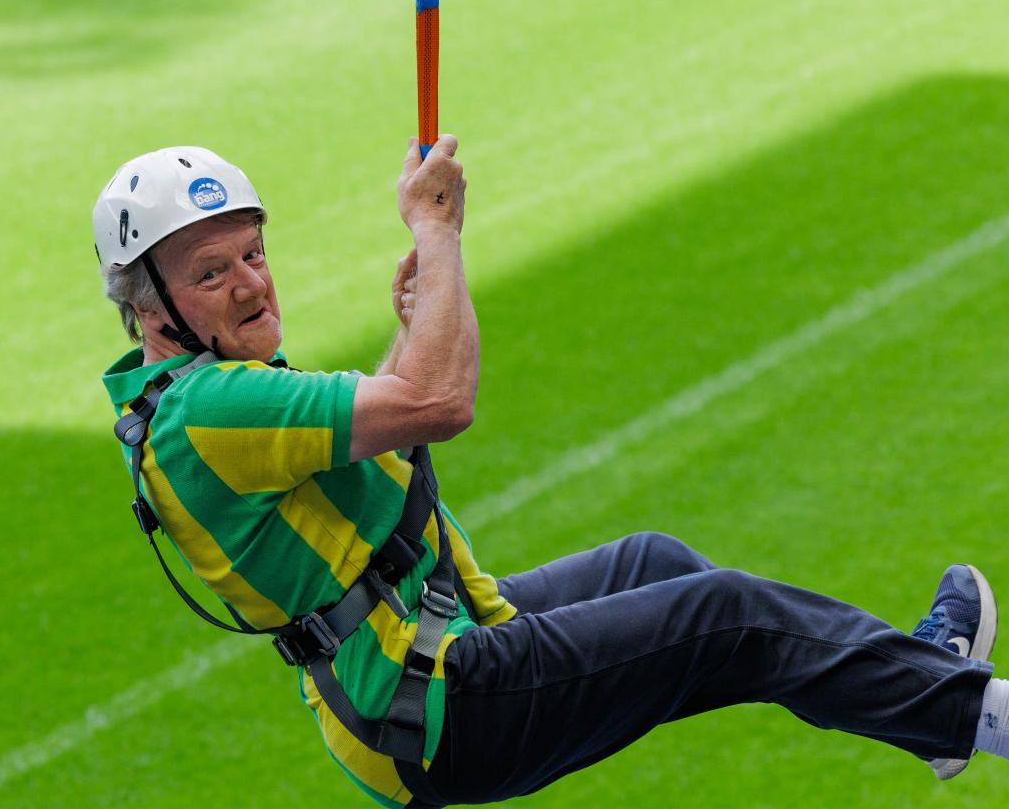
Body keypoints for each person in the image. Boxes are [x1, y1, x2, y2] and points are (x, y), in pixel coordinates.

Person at [94, 137, 1007, 808]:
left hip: (422, 651)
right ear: (151, 306)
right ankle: (978, 713)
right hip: (430, 703)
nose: (252, 285)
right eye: (212, 273)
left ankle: (924, 699)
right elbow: (438, 403)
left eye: (253, 254)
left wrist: (415, 321)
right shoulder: (214, 407)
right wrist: (438, 235)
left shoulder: (196, 397)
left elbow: (391, 425)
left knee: (659, 564)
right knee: (724, 615)